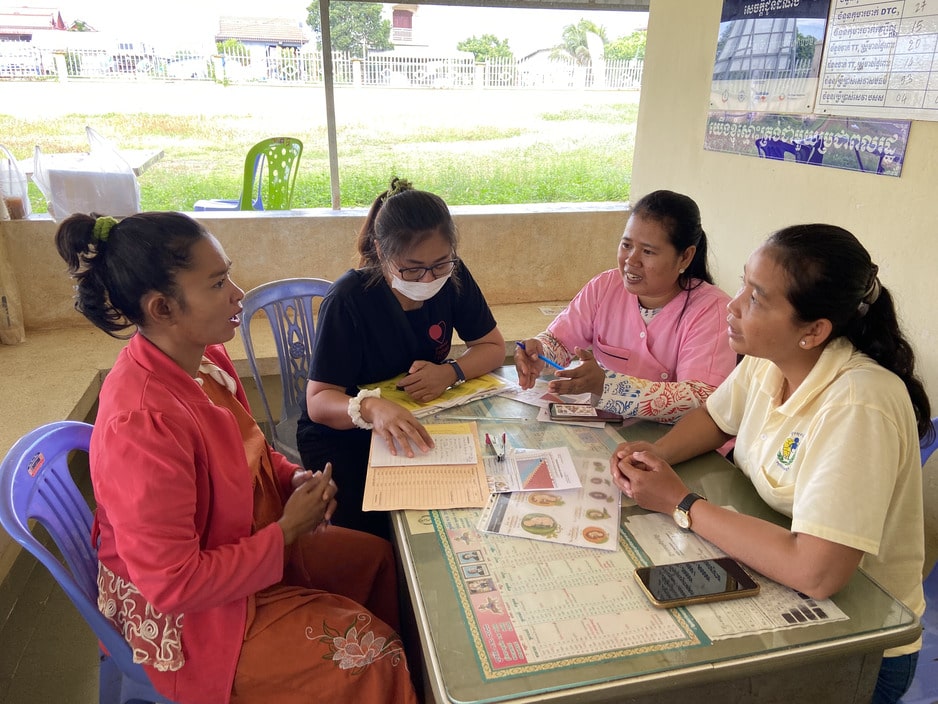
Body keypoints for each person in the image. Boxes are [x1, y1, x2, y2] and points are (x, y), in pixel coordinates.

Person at [55, 211, 418, 704]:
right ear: (162, 308)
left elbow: (253, 447)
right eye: (218, 283)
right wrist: (287, 530)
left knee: (376, 561)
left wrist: (292, 479)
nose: (238, 294)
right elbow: (173, 584)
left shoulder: (205, 359)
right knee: (376, 659)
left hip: (243, 541)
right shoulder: (140, 425)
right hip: (189, 617)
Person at [610, 224, 933, 704]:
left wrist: (681, 502)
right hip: (773, 580)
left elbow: (816, 573)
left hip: (856, 647)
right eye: (742, 284)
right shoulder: (770, 358)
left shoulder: (858, 403)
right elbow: (717, 419)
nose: (732, 304)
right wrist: (658, 453)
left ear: (814, 331)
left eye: (756, 298)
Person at [297, 178, 505, 538]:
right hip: (346, 434)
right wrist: (372, 408)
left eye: (440, 264)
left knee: (459, 510)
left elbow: (492, 346)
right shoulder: (349, 298)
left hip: (419, 416)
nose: (428, 278)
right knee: (380, 535)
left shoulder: (453, 277)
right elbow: (318, 401)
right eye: (412, 268)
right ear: (381, 251)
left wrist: (450, 372)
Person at [514, 189, 737, 423]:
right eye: (626, 245)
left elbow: (700, 397)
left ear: (685, 257)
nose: (631, 260)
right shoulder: (605, 287)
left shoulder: (712, 310)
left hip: (675, 440)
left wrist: (608, 386)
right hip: (612, 427)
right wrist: (540, 353)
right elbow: (559, 341)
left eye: (648, 251)